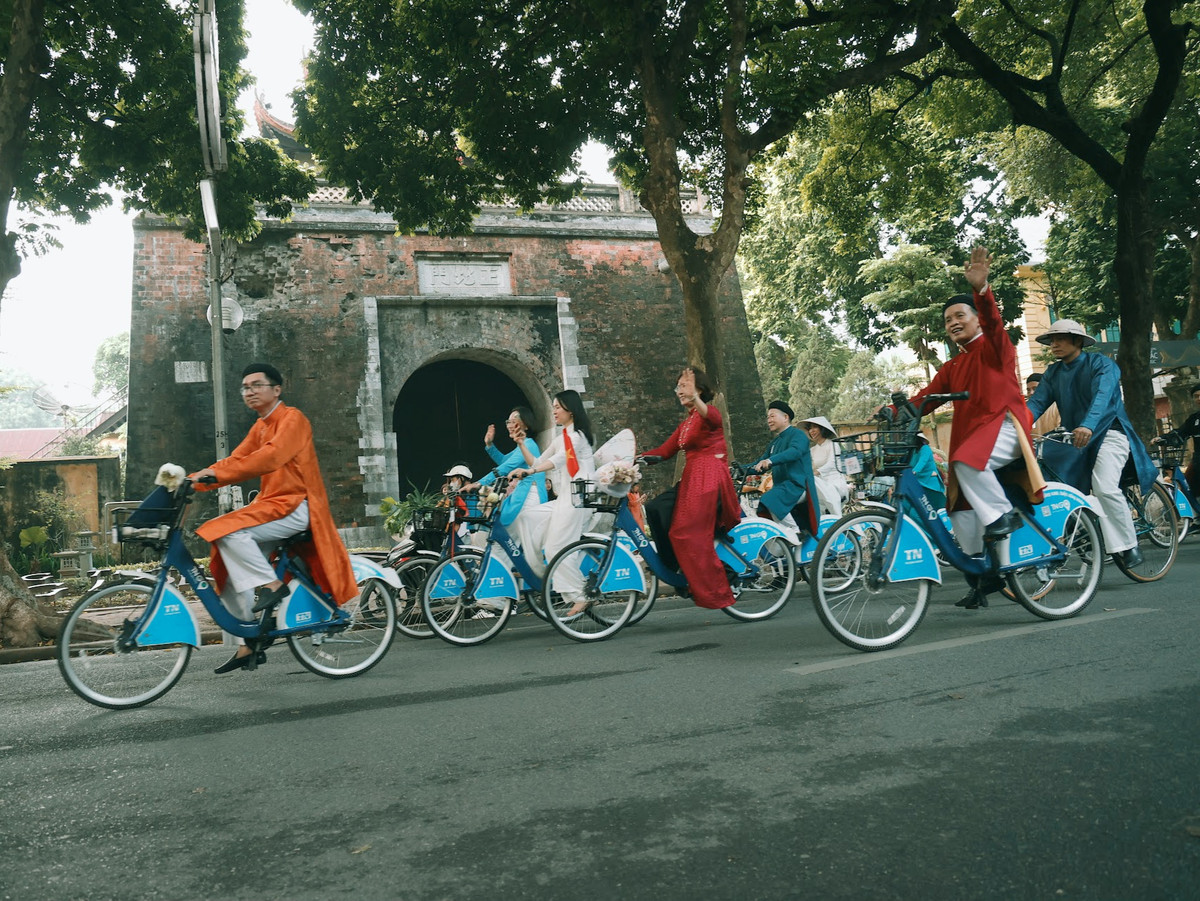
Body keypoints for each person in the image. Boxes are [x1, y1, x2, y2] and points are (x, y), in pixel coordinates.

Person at [901, 246, 1045, 611]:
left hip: (1007, 428)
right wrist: (891, 410)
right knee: (962, 515)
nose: (952, 322)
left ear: (977, 319)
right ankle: (986, 577)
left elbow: (995, 322)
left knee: (966, 463)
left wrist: (982, 290)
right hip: (975, 443)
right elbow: (925, 398)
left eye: (959, 315)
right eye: (947, 319)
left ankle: (1003, 516)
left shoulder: (996, 347)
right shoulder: (952, 367)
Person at [190, 363, 357, 674]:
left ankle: (272, 584)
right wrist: (195, 479)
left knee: (228, 532)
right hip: (274, 506)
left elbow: (271, 457)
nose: (249, 391)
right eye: (245, 387)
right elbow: (236, 460)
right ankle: (247, 641)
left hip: (298, 505)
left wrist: (213, 475)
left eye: (256, 385)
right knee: (225, 563)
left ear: (276, 389)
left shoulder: (293, 419)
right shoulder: (261, 426)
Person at [1026, 319, 1158, 569]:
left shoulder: (1101, 364)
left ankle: (1129, 545)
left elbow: (1102, 398)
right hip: (1074, 439)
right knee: (1051, 484)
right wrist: (1014, 426)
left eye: (1061, 338)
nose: (1055, 344)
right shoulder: (1053, 372)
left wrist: (1088, 424)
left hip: (1109, 432)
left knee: (1104, 487)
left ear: (1078, 341)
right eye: (1052, 340)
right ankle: (1069, 539)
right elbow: (1036, 404)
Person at [639, 367, 741, 610]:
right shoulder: (686, 424)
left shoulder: (708, 413)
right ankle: (676, 566)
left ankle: (727, 580)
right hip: (691, 479)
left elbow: (713, 417)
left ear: (699, 390)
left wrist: (696, 399)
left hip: (709, 477)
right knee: (655, 508)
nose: (679, 391)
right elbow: (665, 451)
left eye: (684, 386)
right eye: (678, 387)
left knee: (685, 532)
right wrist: (634, 458)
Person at [510, 390, 595, 610]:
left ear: (571, 410)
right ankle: (537, 570)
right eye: (554, 406)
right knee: (527, 518)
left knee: (557, 547)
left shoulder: (577, 437)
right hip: (565, 499)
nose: (554, 411)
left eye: (558, 407)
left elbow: (556, 462)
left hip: (579, 499)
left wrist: (530, 472)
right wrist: (521, 444)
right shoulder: (563, 437)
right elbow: (538, 461)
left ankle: (580, 595)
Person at [468, 406, 547, 540]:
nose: (510, 425)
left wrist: (477, 484)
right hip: (524, 493)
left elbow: (505, 467)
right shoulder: (523, 445)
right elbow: (505, 461)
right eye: (508, 422)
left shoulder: (528, 444)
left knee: (510, 535)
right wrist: (489, 444)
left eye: (514, 420)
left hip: (530, 494)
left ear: (526, 425)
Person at [753, 402, 819, 533]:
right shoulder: (775, 442)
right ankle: (785, 537)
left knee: (770, 499)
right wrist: (738, 469)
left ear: (785, 417)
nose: (769, 420)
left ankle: (794, 532)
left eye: (772, 416)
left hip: (798, 486)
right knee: (763, 505)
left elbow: (795, 452)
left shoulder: (798, 435)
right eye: (768, 417)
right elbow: (760, 463)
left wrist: (770, 460)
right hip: (783, 488)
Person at [1152, 384, 1200, 498]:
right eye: (1196, 396)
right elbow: (1180, 433)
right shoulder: (1194, 419)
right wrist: (1163, 438)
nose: (1199, 399)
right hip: (1198, 460)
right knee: (1187, 487)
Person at [797, 415, 849, 517]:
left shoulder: (833, 445)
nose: (812, 431)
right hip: (819, 483)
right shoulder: (812, 450)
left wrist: (816, 472)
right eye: (810, 428)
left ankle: (838, 518)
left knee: (824, 492)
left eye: (814, 427)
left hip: (834, 481)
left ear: (822, 429)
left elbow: (832, 463)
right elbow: (808, 466)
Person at [1025, 372, 1061, 437]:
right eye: (1028, 390)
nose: (1031, 393)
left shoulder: (1057, 407)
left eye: (1035, 388)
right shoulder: (1026, 410)